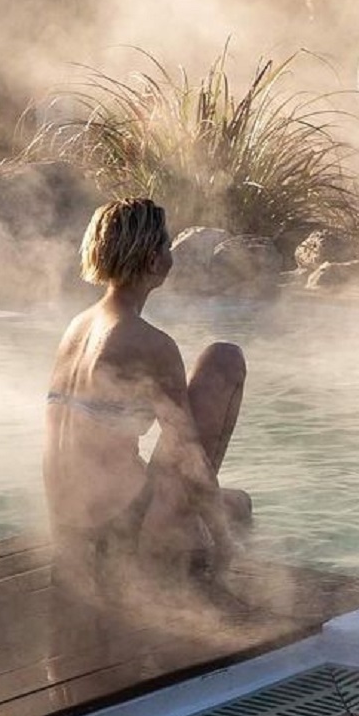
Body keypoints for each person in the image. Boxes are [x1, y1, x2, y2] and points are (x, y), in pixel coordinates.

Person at [44, 198, 250, 589]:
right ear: (154, 261)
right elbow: (188, 453)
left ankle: (192, 534)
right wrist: (223, 542)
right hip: (120, 534)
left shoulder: (77, 328)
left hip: (71, 532)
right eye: (167, 247)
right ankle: (194, 556)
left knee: (235, 502)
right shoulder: (149, 343)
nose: (171, 256)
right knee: (224, 359)